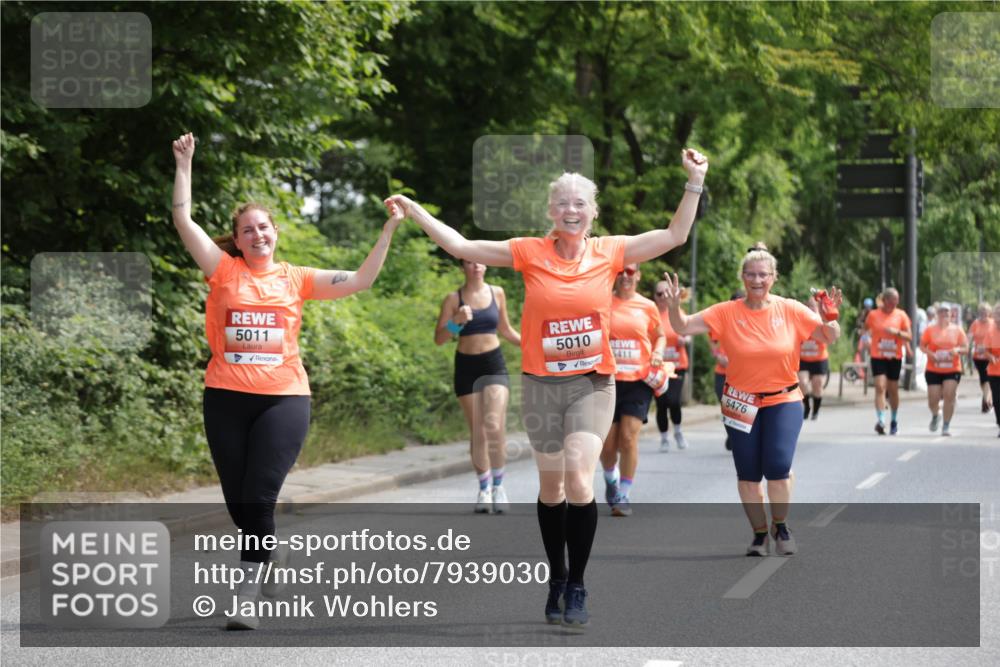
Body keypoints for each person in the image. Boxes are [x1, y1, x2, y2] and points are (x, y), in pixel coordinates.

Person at [387, 147, 707, 628]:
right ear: (550, 212)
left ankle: (576, 583)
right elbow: (463, 246)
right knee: (551, 487)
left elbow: (674, 234)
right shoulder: (528, 251)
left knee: (580, 479)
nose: (571, 211)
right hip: (541, 384)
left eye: (580, 203)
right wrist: (416, 212)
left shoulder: (610, 251)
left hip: (592, 384)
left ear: (593, 211)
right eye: (562, 204)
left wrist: (695, 180)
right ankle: (555, 575)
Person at [171, 132, 403, 630]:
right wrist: (184, 163)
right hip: (225, 398)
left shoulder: (296, 278)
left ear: (275, 232)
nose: (257, 235)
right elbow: (182, 219)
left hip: (284, 399)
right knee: (239, 502)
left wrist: (386, 232)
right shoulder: (223, 271)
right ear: (237, 239)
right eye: (247, 230)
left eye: (264, 228)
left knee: (258, 493)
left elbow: (361, 280)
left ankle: (246, 595)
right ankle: (266, 554)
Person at [662, 243, 842, 557]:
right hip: (740, 401)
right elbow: (683, 326)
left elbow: (828, 337)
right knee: (747, 472)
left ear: (773, 277)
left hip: (783, 399)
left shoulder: (789, 309)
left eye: (763, 274)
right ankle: (759, 534)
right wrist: (675, 306)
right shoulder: (726, 311)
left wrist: (831, 317)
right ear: (742, 277)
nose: (756, 280)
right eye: (750, 274)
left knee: (778, 466)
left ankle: (781, 525)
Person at [435, 259, 520, 514]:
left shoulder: (497, 293)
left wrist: (535, 347)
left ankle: (499, 487)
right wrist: (456, 322)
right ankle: (484, 489)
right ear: (463, 267)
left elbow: (506, 329)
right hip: (466, 366)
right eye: (470, 262)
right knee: (478, 431)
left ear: (486, 266)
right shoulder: (453, 298)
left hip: (493, 364)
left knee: (494, 424)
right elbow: (439, 338)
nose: (476, 266)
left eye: (481, 261)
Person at [601, 263, 666, 517]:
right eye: (621, 272)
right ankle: (610, 478)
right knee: (607, 445)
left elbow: (659, 335)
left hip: (639, 380)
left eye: (630, 272)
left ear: (638, 276)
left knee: (628, 437)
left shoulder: (647, 306)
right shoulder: (603, 303)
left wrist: (659, 350)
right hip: (607, 380)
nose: (626, 276)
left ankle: (624, 493)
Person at [865, 287, 912, 435]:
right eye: (891, 301)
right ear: (884, 300)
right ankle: (881, 421)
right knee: (879, 386)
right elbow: (865, 330)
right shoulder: (873, 314)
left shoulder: (901, 315)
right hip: (878, 355)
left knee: (893, 390)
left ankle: (894, 420)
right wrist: (866, 339)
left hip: (894, 357)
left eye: (896, 301)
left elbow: (909, 336)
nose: (894, 304)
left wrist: (896, 332)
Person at [919, 304, 968, 436]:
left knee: (949, 395)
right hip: (933, 368)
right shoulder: (930, 330)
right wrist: (931, 354)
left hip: (952, 368)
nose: (943, 314)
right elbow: (922, 346)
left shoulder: (957, 330)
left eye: (946, 312)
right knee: (932, 400)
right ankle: (936, 414)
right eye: (941, 312)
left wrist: (957, 350)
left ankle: (946, 426)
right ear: (937, 314)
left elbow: (965, 348)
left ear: (951, 314)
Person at [653, 281, 690, 451]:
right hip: (657, 367)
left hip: (677, 365)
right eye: (660, 294)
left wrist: (685, 339)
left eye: (666, 293)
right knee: (662, 403)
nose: (663, 297)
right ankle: (663, 438)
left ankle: (677, 430)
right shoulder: (651, 313)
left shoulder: (677, 312)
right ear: (655, 296)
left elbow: (687, 332)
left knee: (674, 401)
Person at [798, 295, 829, 421]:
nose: (810, 308)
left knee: (818, 384)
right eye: (808, 306)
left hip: (819, 359)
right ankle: (807, 406)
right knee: (803, 383)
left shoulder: (822, 321)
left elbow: (831, 334)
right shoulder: (800, 320)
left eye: (813, 306)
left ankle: (815, 410)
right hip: (803, 358)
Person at [968, 302, 994, 414]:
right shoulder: (975, 324)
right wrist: (968, 347)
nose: (983, 313)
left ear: (989, 312)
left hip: (990, 356)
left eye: (985, 311)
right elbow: (969, 337)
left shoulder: (993, 324)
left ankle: (986, 402)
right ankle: (988, 397)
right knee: (983, 379)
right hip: (978, 356)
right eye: (981, 311)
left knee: (987, 378)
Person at [986, 302, 1000, 438]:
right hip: (994, 371)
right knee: (997, 400)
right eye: (997, 314)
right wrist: (991, 357)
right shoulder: (990, 332)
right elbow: (986, 351)